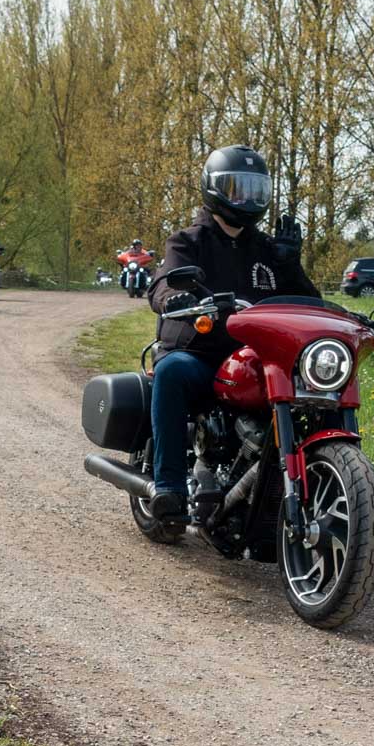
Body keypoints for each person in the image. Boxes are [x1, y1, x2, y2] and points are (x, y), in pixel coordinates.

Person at [146, 145, 314, 523]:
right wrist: (174, 298)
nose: (247, 199)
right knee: (171, 372)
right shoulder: (187, 242)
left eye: (255, 190)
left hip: (257, 359)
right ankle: (169, 487)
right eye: (237, 189)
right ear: (213, 188)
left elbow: (307, 303)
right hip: (201, 353)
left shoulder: (269, 250)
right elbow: (162, 284)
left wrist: (291, 265)